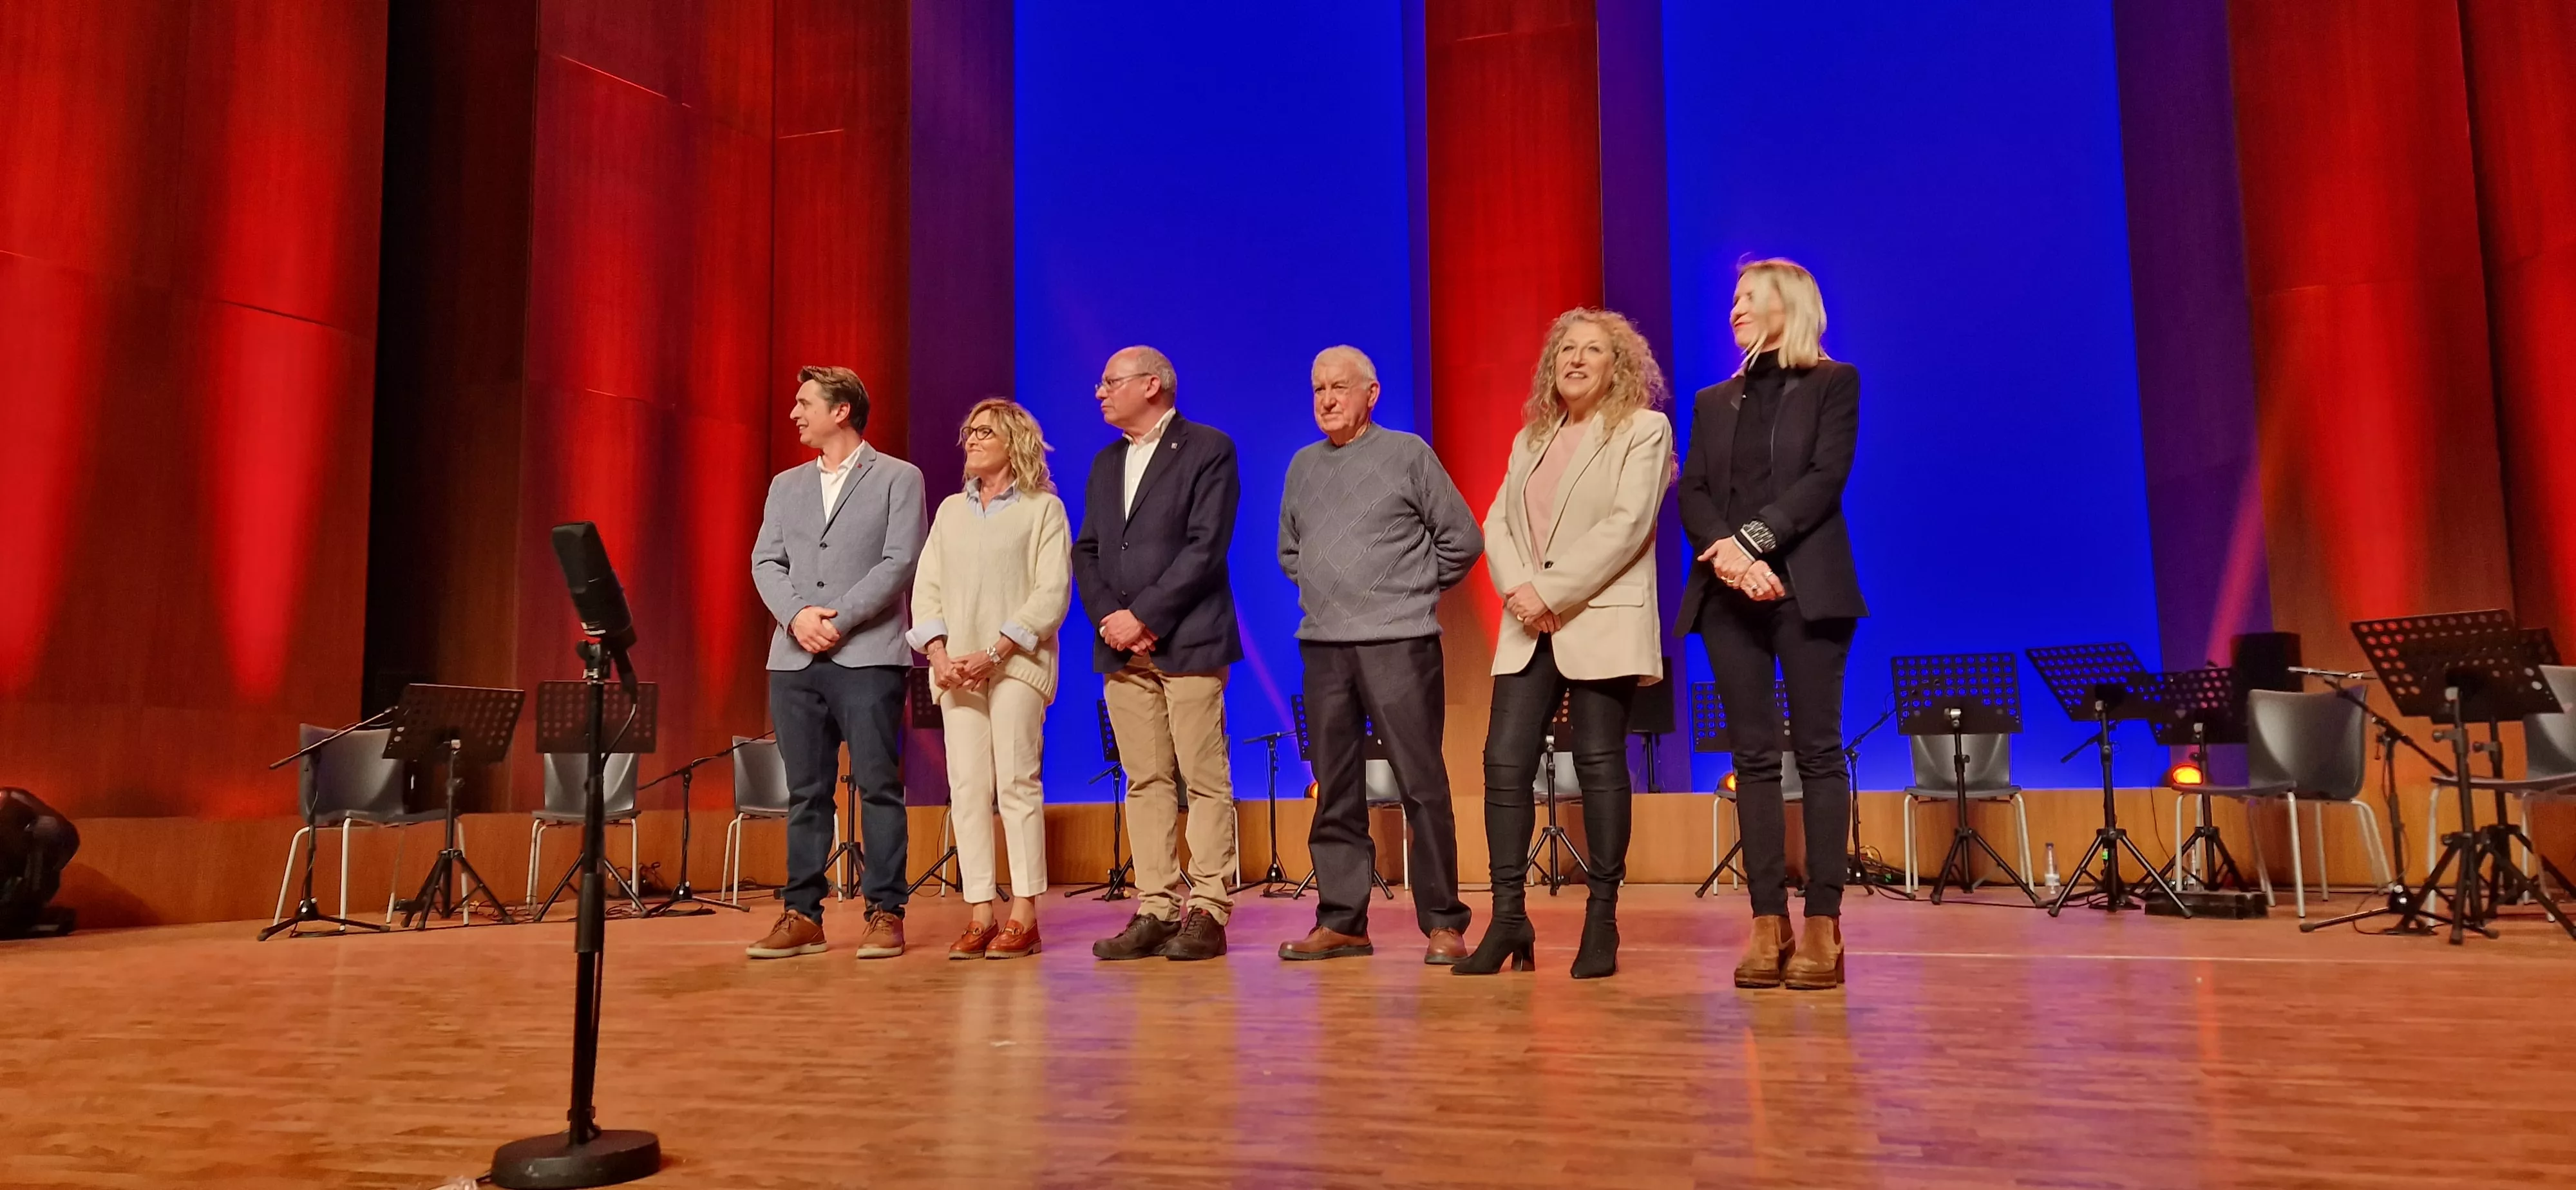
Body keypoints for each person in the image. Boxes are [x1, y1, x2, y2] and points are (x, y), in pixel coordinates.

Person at [1455, 309, 1672, 979]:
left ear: (1618, 366)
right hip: (1529, 624)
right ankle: (1508, 919)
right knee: (1502, 763)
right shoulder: (1532, 438)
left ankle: (1601, 919)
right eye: (1566, 349)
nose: (1575, 359)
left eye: (1593, 350)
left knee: (1601, 763)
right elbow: (1497, 522)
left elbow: (1627, 525)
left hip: (1599, 617)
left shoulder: (1644, 430)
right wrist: (1521, 592)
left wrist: (1549, 593)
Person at [1676, 258, 1865, 992]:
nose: (1735, 308)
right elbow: (1693, 490)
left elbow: (1825, 479)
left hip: (1808, 589)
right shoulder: (1713, 400)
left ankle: (1823, 922)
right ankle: (1766, 920)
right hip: (1728, 593)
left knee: (1817, 752)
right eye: (1733, 299)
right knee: (1752, 759)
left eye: (1750, 297)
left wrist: (1753, 543)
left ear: (1791, 303)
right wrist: (1732, 561)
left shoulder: (1834, 382)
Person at [1276, 346, 1483, 966]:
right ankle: (1342, 921)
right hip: (1324, 646)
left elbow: (1463, 539)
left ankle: (1444, 922)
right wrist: (1327, 593)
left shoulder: (1407, 454)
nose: (1327, 399)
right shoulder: (1302, 465)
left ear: (1372, 394)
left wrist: (1408, 591)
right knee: (1334, 787)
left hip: (1400, 642)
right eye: (1318, 389)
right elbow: (1291, 551)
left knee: (1421, 783)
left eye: (1339, 387)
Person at [744, 365, 925, 961]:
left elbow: (900, 561)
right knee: (806, 792)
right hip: (794, 659)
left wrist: (838, 620)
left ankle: (885, 911)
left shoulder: (899, 477)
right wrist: (798, 617)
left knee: (878, 786)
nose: (794, 414)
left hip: (868, 656)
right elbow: (765, 562)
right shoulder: (785, 484)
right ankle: (802, 914)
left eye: (805, 403)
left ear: (841, 410)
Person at [1072, 346, 1242, 961]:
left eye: (1110, 381)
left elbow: (1205, 547)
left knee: (1203, 778)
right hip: (1122, 649)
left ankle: (1209, 907)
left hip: (1190, 639)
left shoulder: (1209, 448)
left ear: (1152, 385)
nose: (1100, 392)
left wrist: (1145, 616)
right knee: (1144, 780)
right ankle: (1156, 907)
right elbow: (1087, 551)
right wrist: (1111, 622)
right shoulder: (1106, 462)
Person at [908, 399, 1071, 960]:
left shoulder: (1043, 510)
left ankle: (1024, 913)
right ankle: (980, 911)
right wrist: (938, 653)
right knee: (968, 787)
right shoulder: (951, 511)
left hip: (1016, 663)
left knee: (1016, 783)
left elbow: (1051, 593)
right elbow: (927, 587)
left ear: (1014, 443)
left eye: (984, 432)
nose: (971, 440)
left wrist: (996, 650)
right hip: (956, 669)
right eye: (969, 432)